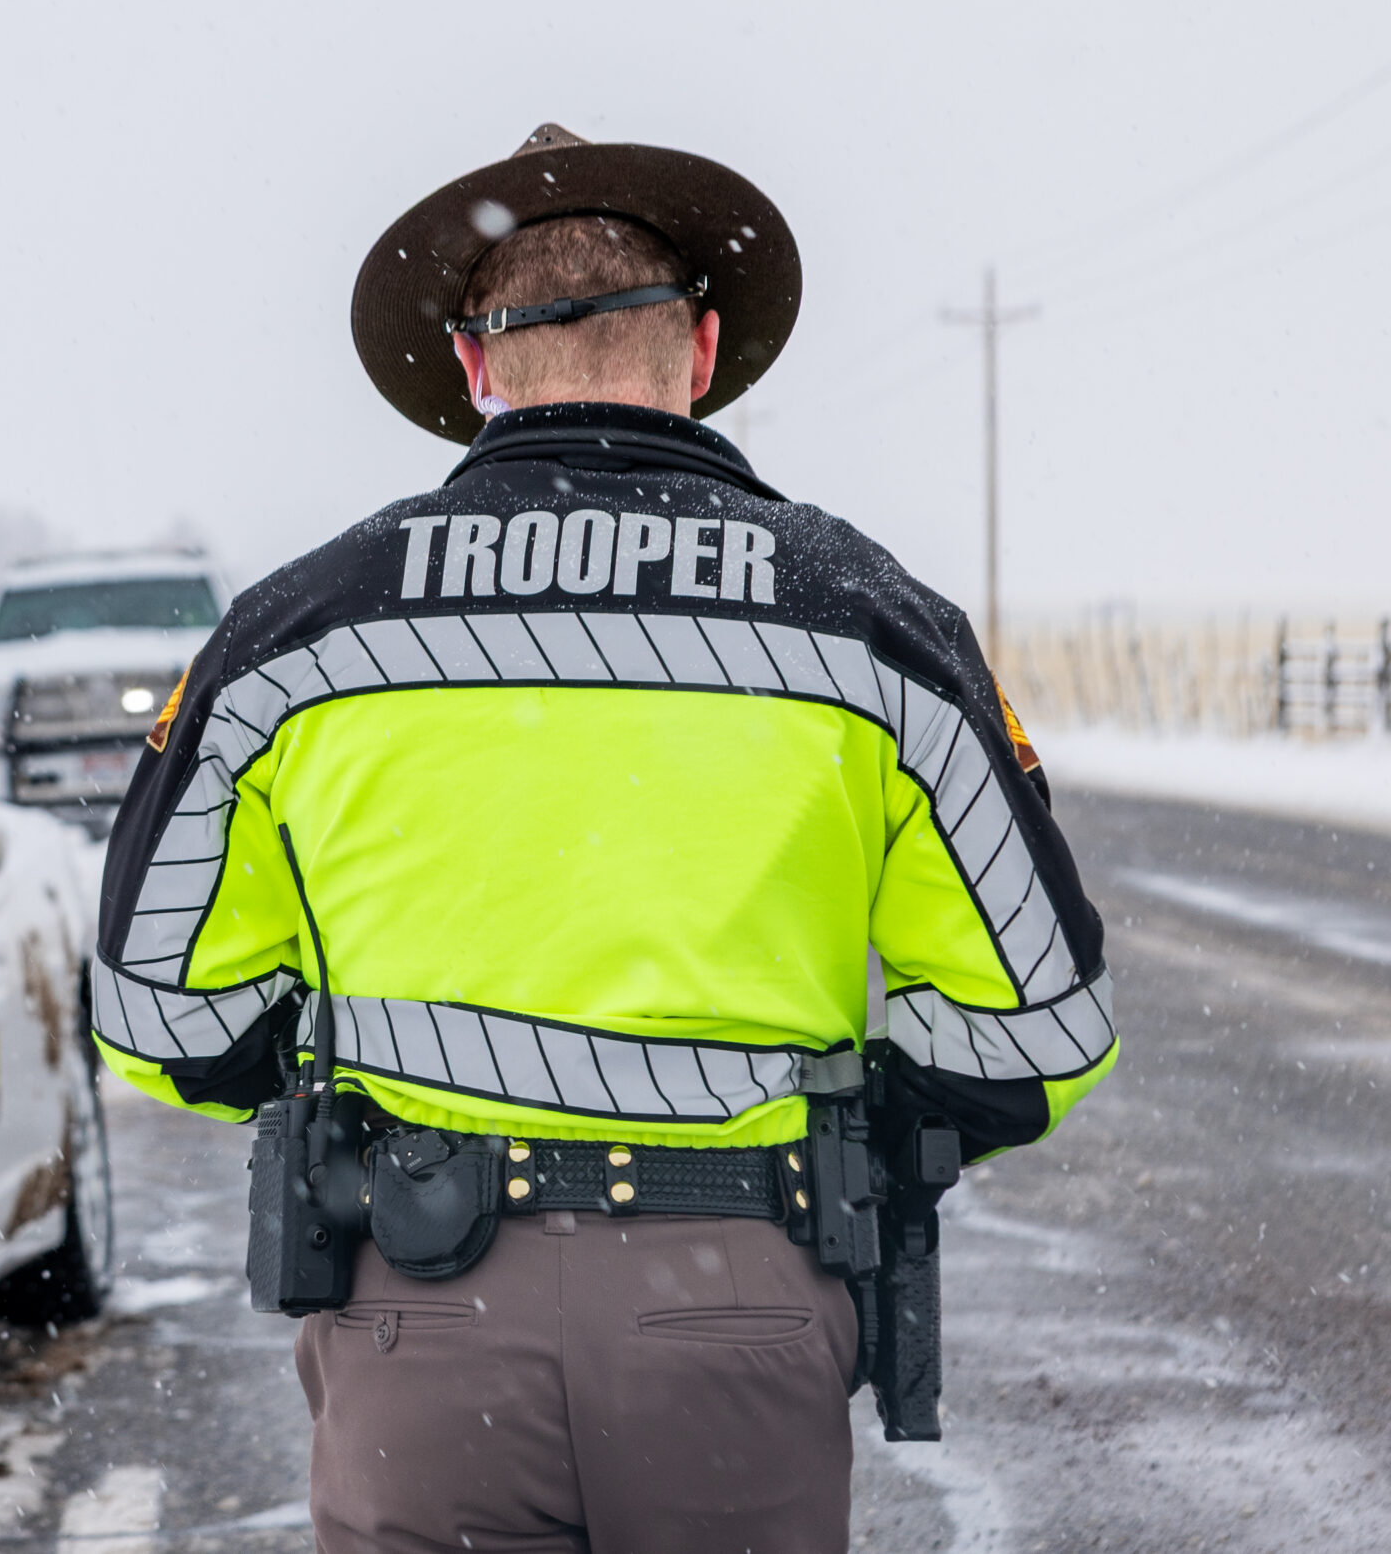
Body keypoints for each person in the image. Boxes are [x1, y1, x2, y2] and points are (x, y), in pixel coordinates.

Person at [92, 123, 1115, 1553]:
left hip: (420, 1318)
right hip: (740, 1314)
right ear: (698, 352)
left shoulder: (299, 635)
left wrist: (347, 1084)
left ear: (470, 369)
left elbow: (156, 1009)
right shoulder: (869, 624)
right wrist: (858, 1124)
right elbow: (1039, 1031)